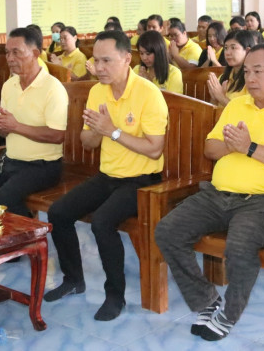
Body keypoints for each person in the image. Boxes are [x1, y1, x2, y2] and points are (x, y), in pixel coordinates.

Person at [155, 44, 264, 341]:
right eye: (247, 71)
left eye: (258, 71)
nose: (250, 78)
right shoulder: (236, 105)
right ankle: (206, 300)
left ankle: (229, 314)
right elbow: (210, 148)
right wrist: (235, 146)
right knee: (168, 231)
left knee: (239, 247)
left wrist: (249, 147)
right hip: (217, 195)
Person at [45, 30, 168, 322]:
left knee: (102, 222)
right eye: (96, 60)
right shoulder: (97, 91)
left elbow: (154, 150)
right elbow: (88, 142)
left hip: (142, 181)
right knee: (58, 212)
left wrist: (112, 131)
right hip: (108, 176)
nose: (99, 67)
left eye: (106, 61)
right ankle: (74, 279)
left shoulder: (148, 93)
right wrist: (97, 131)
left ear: (126, 59)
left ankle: (115, 296)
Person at [0, 28, 68, 216]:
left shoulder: (53, 88)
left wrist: (15, 126)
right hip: (10, 160)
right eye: (7, 52)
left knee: (6, 197)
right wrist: (1, 127)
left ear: (35, 54)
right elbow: (5, 131)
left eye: (16, 52)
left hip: (43, 165)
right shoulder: (9, 86)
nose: (10, 58)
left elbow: (57, 135)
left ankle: (31, 233)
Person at [208, 30, 256, 107]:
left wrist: (221, 97)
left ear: (247, 51)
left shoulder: (253, 80)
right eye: (226, 48)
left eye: (233, 48)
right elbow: (213, 109)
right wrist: (214, 98)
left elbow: (246, 112)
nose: (227, 52)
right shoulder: (223, 77)